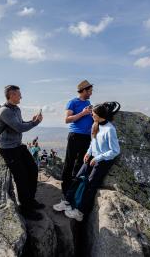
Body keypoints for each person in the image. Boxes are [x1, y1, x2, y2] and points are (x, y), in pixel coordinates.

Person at [60, 102, 121, 222]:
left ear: (99, 115)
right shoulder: (95, 124)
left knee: (90, 184)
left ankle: (80, 212)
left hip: (103, 160)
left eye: (93, 114)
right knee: (77, 177)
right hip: (92, 156)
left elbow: (115, 151)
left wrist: (98, 158)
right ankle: (67, 201)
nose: (91, 115)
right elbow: (93, 142)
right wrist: (88, 153)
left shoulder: (110, 129)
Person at [0, 85, 45, 221]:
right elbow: (19, 127)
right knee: (21, 178)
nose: (21, 97)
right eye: (19, 94)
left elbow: (21, 123)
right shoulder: (4, 111)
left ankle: (30, 200)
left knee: (33, 169)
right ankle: (26, 209)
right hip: (8, 149)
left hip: (17, 146)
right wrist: (35, 123)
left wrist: (32, 120)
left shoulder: (16, 109)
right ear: (11, 95)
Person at [53, 80, 94, 211]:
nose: (91, 93)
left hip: (86, 137)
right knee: (69, 162)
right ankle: (65, 189)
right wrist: (83, 113)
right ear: (84, 90)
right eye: (90, 91)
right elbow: (67, 119)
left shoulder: (88, 103)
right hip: (75, 136)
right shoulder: (73, 102)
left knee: (80, 163)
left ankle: (73, 188)